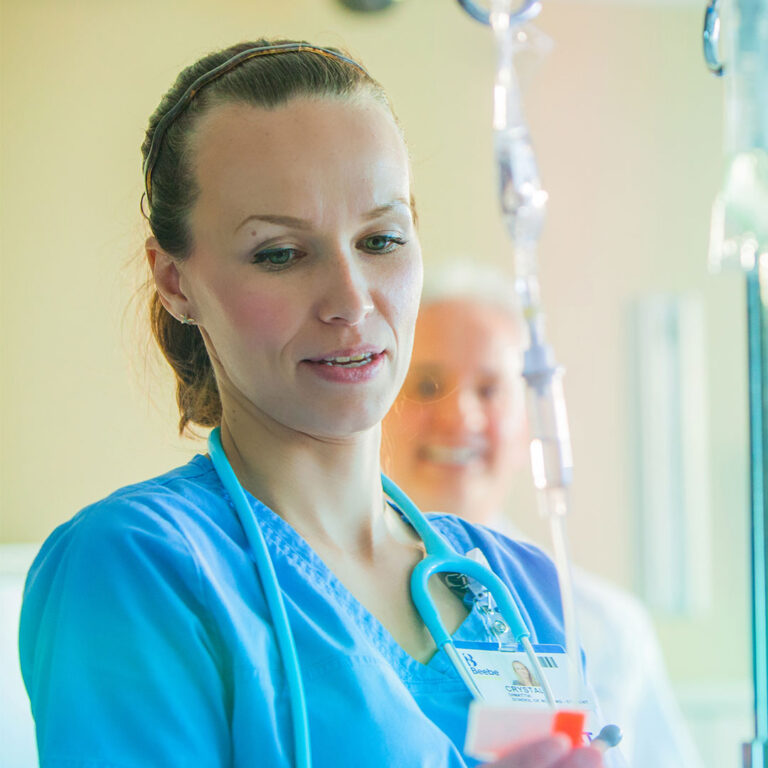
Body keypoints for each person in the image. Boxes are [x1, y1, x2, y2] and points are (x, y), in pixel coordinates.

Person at [18, 41, 606, 768]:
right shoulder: (138, 570)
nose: (352, 301)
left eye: (381, 239)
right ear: (175, 281)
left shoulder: (524, 591)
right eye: (280, 253)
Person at [383, 263, 704, 768]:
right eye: (425, 385)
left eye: (489, 390)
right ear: (379, 407)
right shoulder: (322, 607)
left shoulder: (605, 630)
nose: (458, 416)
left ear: (529, 420)